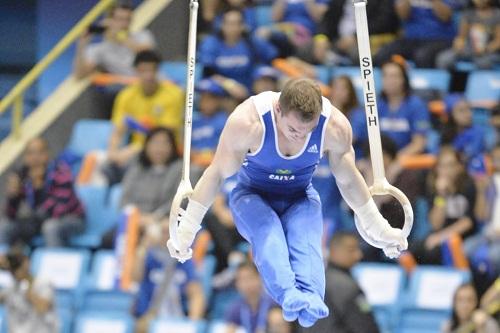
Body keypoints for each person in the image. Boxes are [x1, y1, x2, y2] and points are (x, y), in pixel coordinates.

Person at [168, 78, 408, 327]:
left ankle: (312, 297)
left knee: (307, 242)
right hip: (252, 197)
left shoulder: (334, 127)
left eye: (308, 130)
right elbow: (217, 173)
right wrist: (187, 227)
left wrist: (377, 225)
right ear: (278, 111)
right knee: (269, 233)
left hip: (300, 196)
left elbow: (347, 180)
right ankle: (288, 293)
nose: (300, 136)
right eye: (293, 130)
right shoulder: (248, 123)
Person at [104, 50, 184, 184]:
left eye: (151, 70)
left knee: (131, 165)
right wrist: (112, 153)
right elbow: (118, 130)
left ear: (158, 71)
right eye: (143, 71)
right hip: (138, 151)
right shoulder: (126, 96)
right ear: (136, 71)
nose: (148, 75)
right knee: (106, 167)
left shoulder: (174, 94)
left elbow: (165, 134)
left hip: (166, 149)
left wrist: (134, 149)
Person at [0, 138, 85, 247]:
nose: (35, 158)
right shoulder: (23, 176)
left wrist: (38, 186)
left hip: (72, 219)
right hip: (39, 220)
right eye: (30, 153)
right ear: (25, 157)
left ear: (47, 154)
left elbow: (59, 211)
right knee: (5, 226)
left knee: (50, 227)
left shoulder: (60, 172)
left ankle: (53, 262)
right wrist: (13, 196)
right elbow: (10, 214)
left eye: (39, 152)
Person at [299, 231, 380, 333]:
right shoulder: (348, 287)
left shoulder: (313, 284)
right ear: (333, 251)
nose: (358, 255)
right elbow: (366, 328)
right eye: (351, 250)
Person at [133, 222, 206, 333]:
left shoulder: (184, 259)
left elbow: (196, 295)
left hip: (177, 319)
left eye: (171, 232)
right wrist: (144, 245)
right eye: (163, 231)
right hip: (149, 318)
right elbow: (135, 278)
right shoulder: (149, 257)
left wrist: (192, 324)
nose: (167, 235)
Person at [73, 4, 156, 79]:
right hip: (129, 88)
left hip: (156, 82)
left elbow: (147, 55)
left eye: (128, 19)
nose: (124, 24)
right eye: (119, 19)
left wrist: (120, 37)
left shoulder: (142, 35)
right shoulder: (98, 50)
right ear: (109, 21)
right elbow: (80, 75)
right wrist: (81, 45)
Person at [0, 250, 59, 333]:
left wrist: (27, 287)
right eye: (13, 268)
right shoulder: (11, 287)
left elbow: (43, 307)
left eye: (17, 266)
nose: (15, 271)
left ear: (26, 263)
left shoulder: (43, 283)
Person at [436, 0, 500, 70]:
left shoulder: (497, 15)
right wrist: (459, 44)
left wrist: (485, 49)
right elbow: (462, 37)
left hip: (488, 52)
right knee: (444, 59)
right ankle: (455, 80)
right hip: (468, 49)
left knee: (484, 63)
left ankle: (482, 80)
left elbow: (498, 41)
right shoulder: (468, 14)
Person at [225, 261, 274, 333]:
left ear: (260, 278)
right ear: (236, 284)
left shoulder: (274, 304)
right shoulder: (235, 309)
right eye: (242, 280)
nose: (247, 283)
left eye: (250, 277)